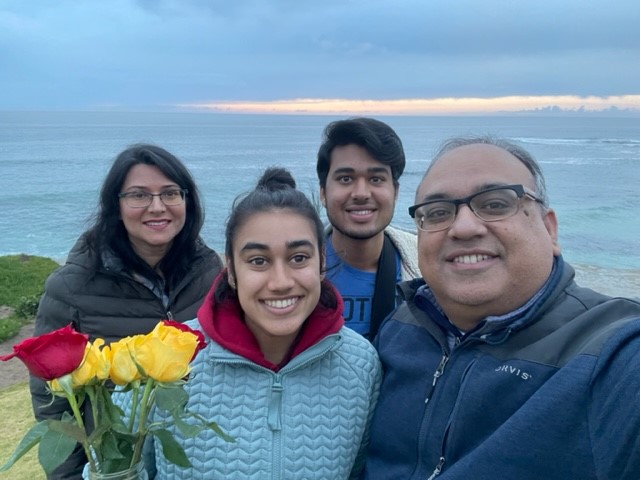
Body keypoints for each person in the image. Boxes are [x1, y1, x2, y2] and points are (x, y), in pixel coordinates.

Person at [363, 136, 640, 479]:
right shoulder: (401, 326)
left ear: (549, 229)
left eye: (495, 204)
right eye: (437, 212)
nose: (463, 227)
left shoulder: (610, 353)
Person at [144, 167, 381, 479]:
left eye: (298, 258)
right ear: (231, 271)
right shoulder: (168, 355)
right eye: (258, 261)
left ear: (322, 263)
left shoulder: (359, 364)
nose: (280, 282)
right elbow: (121, 466)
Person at [31, 144, 223, 480]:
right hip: (118, 465)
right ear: (115, 205)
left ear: (187, 201)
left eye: (170, 193)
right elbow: (53, 405)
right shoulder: (71, 287)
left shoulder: (207, 269)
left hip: (196, 458)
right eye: (139, 195)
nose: (158, 207)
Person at [316, 117, 419, 339]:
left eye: (376, 178)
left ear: (396, 191)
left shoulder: (427, 266)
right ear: (323, 193)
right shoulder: (295, 271)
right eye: (345, 179)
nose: (361, 193)